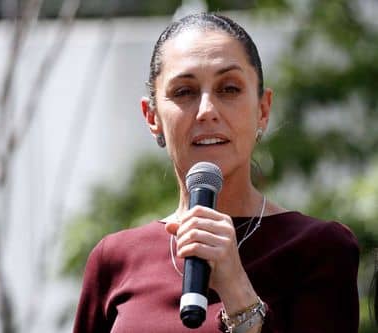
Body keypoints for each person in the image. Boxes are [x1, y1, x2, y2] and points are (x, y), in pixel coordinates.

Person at [73, 12, 359, 333]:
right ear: (151, 116)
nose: (207, 111)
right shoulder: (115, 259)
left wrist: (237, 290)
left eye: (229, 89)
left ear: (262, 110)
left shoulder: (319, 250)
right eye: (184, 92)